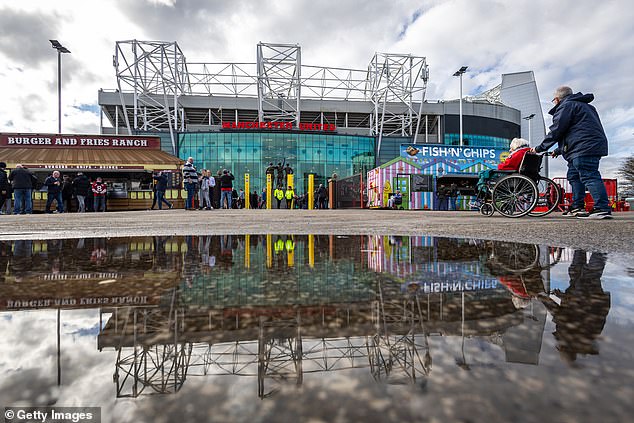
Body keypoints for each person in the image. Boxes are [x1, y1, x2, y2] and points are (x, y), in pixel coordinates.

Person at [531, 86, 611, 219]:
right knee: (574, 176)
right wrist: (558, 150)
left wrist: (540, 148)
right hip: (585, 146)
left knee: (589, 175)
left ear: (557, 99)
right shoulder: (586, 106)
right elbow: (575, 131)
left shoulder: (566, 106)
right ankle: (577, 207)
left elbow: (557, 130)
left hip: (583, 147)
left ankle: (601, 208)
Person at [538, 250, 610, 364]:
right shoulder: (568, 336)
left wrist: (563, 296)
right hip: (588, 300)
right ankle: (601, 248)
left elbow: (569, 313)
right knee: (589, 275)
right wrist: (541, 297)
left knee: (575, 271)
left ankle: (582, 245)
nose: (558, 345)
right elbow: (559, 313)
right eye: (560, 348)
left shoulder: (582, 339)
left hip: (588, 301)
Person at [473, 137, 532, 205]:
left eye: (512, 147)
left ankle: (482, 193)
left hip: (511, 176)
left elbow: (505, 166)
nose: (510, 150)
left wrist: (499, 166)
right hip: (522, 177)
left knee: (484, 174)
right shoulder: (528, 152)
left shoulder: (518, 153)